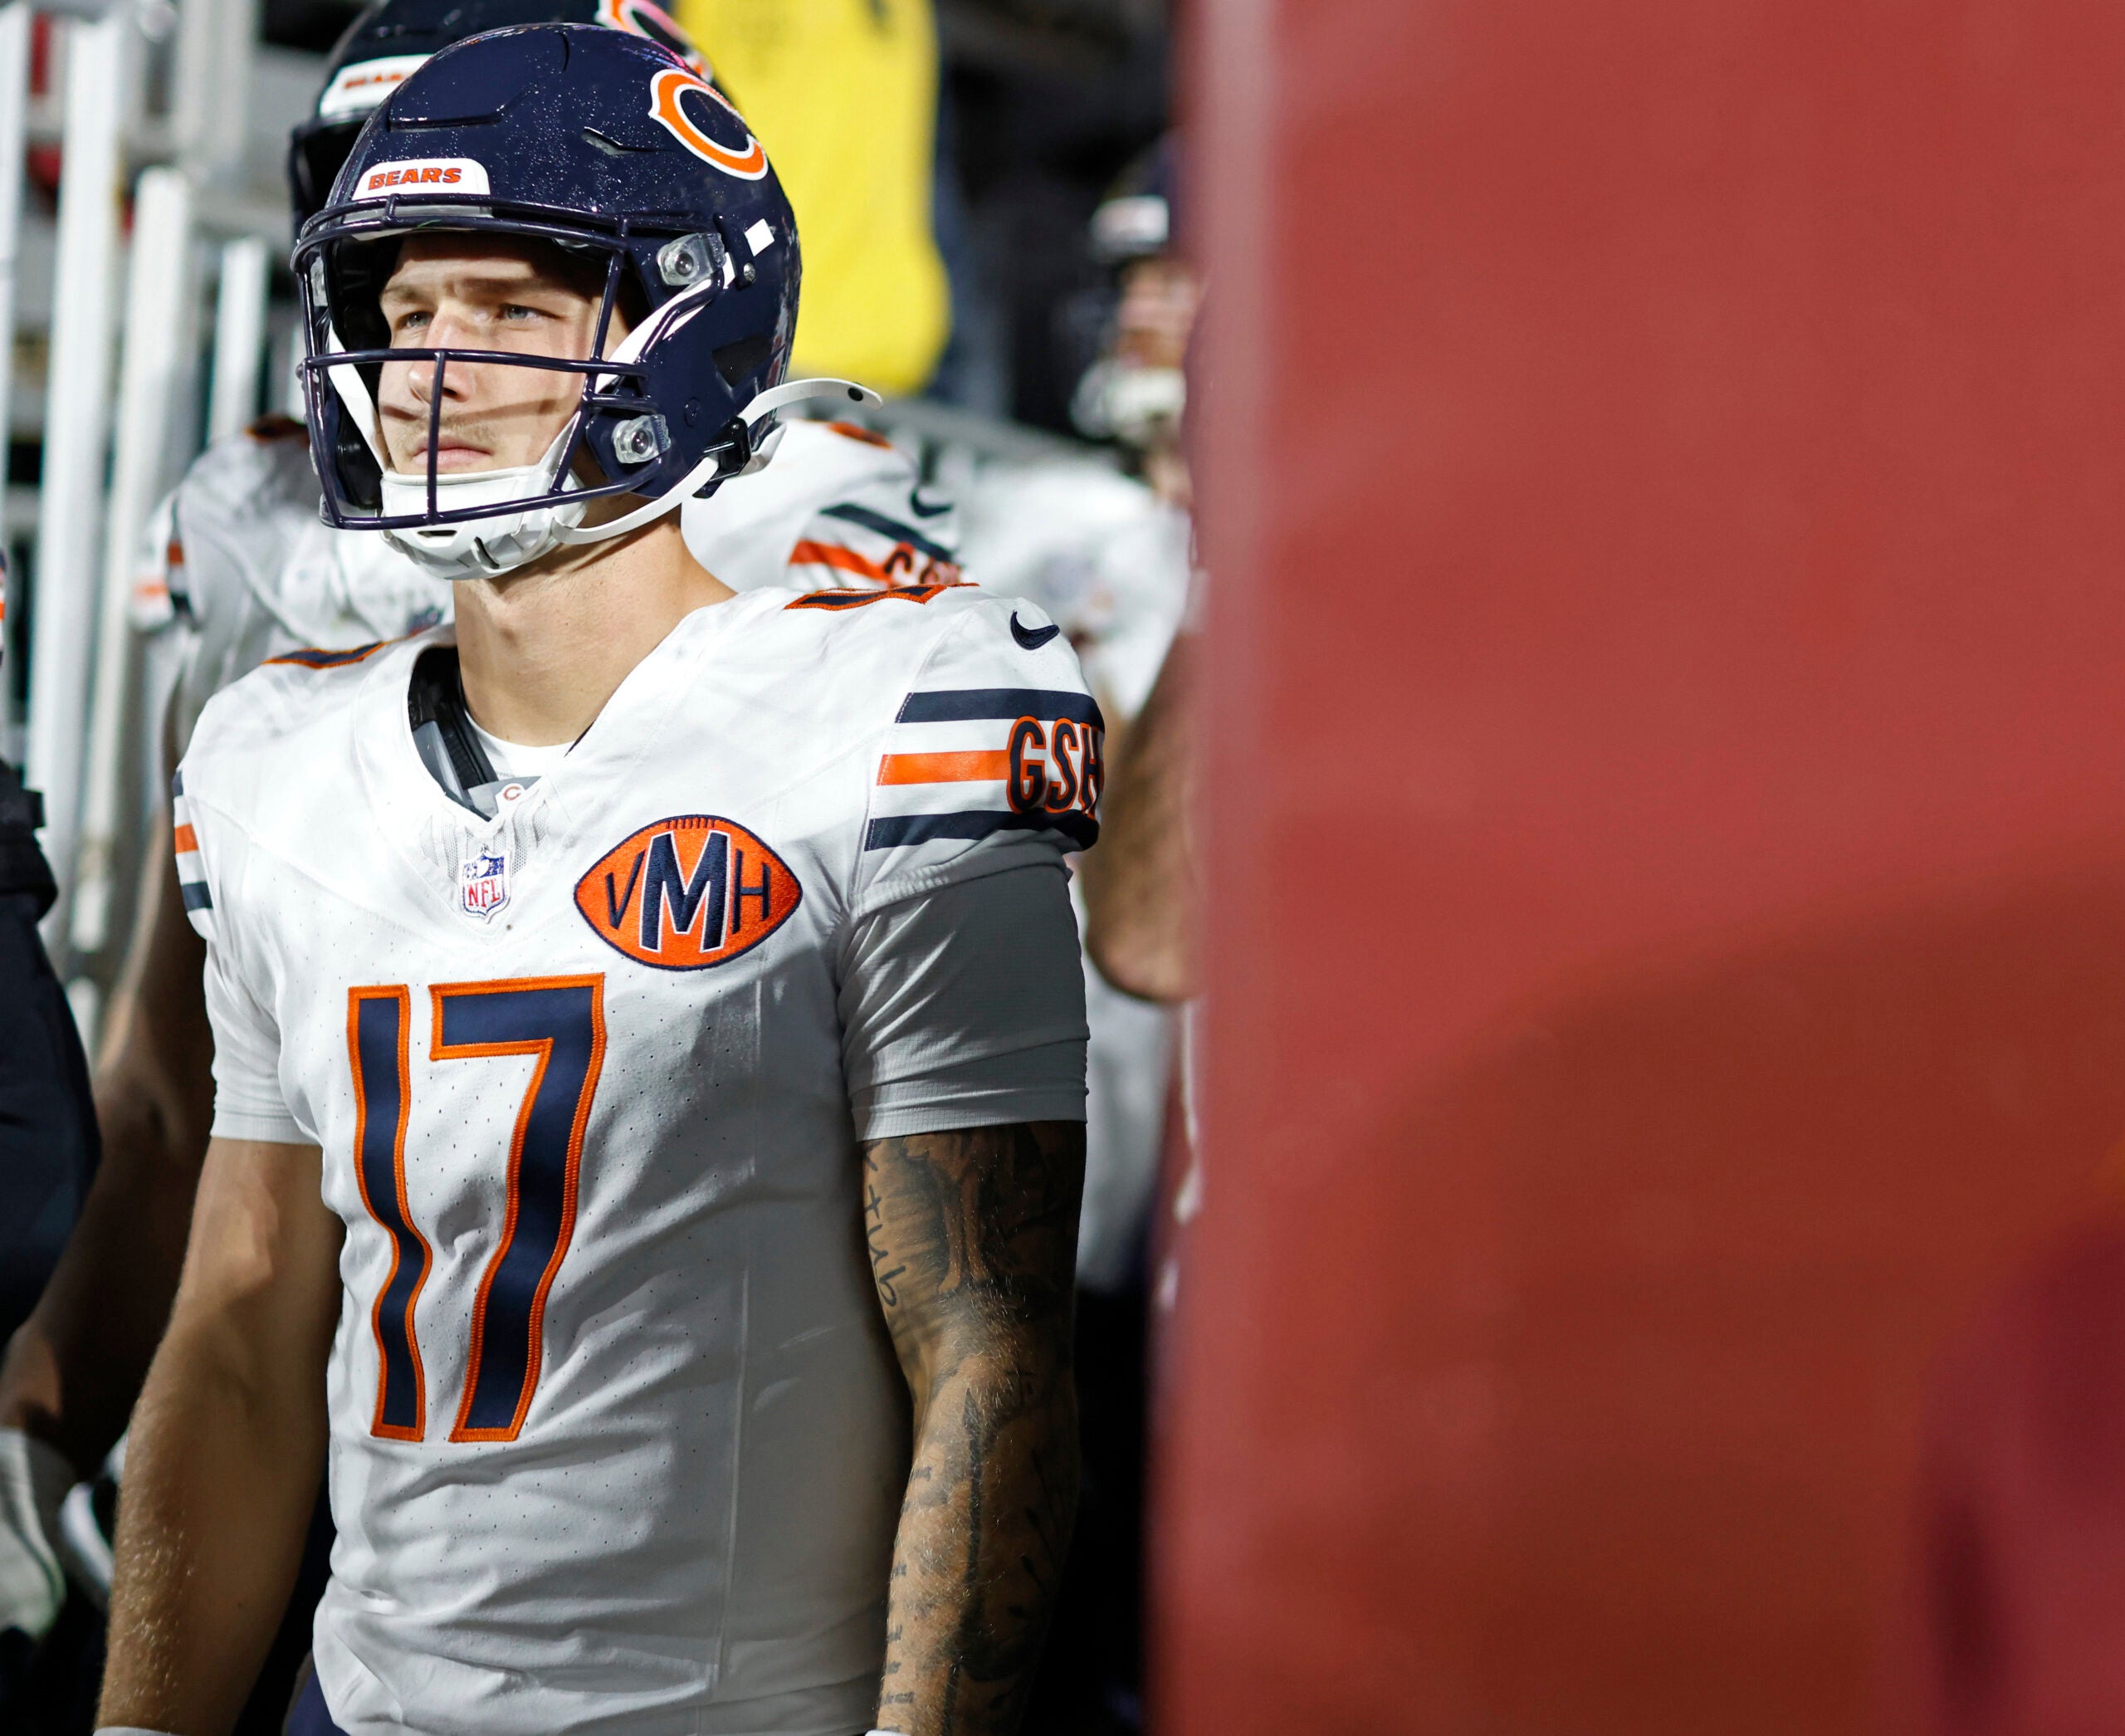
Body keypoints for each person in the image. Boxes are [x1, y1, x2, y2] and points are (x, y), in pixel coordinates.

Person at [95, 26, 1091, 1736]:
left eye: (508, 312)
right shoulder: (273, 759)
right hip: (367, 1696)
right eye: (403, 314)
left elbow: (988, 1352)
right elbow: (248, 1327)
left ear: (687, 323)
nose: (431, 370)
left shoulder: (890, 712)